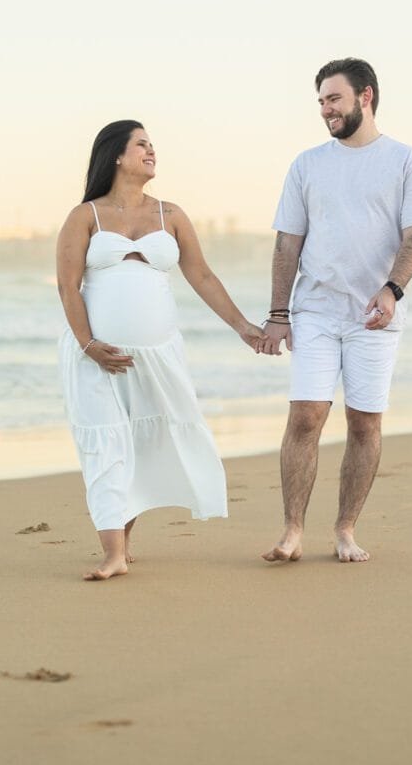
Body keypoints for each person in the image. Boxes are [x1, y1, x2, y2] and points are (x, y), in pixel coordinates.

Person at [56, 120, 265, 581]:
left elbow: (203, 277)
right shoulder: (84, 216)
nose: (152, 151)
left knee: (142, 447)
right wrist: (89, 345)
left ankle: (123, 542)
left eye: (153, 145)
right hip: (97, 356)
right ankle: (112, 554)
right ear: (115, 155)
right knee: (108, 444)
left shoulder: (171, 215)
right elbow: (68, 288)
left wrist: (244, 328)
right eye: (141, 145)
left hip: (158, 356)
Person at [260, 58, 412, 563]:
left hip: (374, 316)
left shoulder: (406, 161)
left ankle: (345, 530)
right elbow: (286, 243)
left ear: (366, 97)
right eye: (320, 101)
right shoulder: (307, 164)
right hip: (315, 309)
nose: (324, 110)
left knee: (364, 425)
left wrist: (391, 289)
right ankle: (293, 531)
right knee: (306, 416)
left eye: (333, 99)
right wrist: (279, 313)